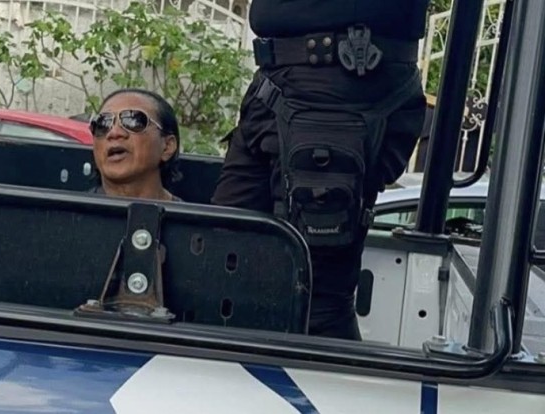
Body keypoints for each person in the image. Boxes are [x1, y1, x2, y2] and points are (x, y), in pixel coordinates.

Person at [211, 1, 430, 340]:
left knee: (315, 294)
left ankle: (322, 376)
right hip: (281, 82)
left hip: (336, 86)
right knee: (224, 256)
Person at [88, 88, 183, 202]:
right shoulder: (70, 210)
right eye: (102, 124)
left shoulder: (189, 214)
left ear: (167, 146)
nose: (114, 133)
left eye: (133, 121)